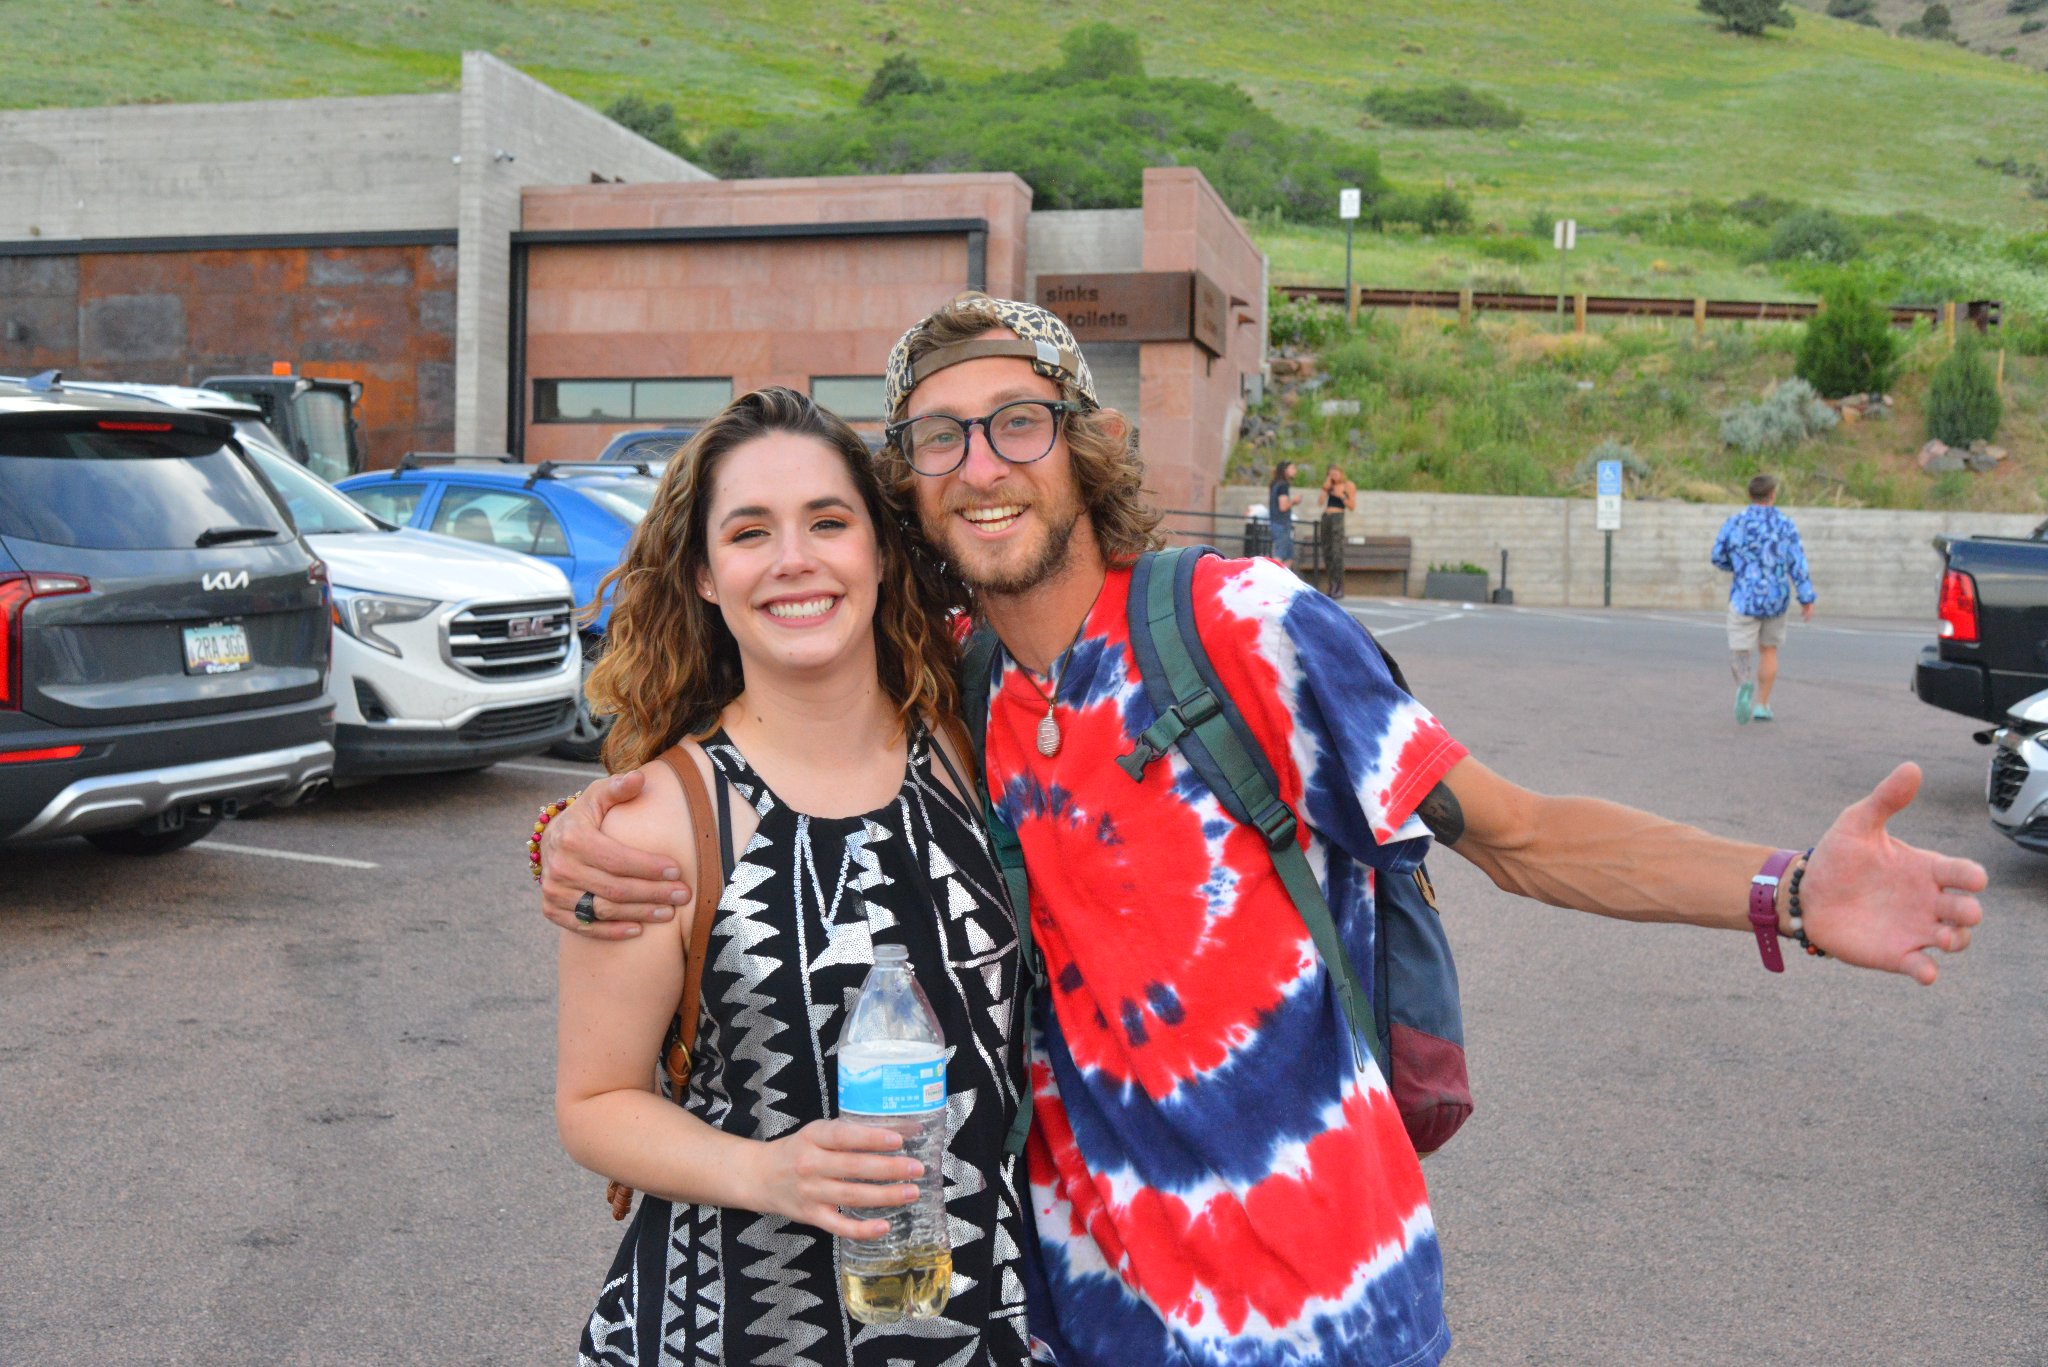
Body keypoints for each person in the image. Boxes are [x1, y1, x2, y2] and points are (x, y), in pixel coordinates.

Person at [538, 297, 1984, 1367]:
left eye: (1018, 422)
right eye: (939, 437)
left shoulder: (1242, 628)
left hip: (1325, 1309)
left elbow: (1521, 830)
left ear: (1078, 444)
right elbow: (778, 772)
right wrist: (572, 835)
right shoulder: (955, 689)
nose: (982, 463)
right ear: (912, 483)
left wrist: (1785, 891)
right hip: (1083, 1324)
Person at [553, 387, 1032, 1366]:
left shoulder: (965, 743)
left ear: (880, 549)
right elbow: (593, 1101)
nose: (793, 559)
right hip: (739, 1327)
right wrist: (768, 1172)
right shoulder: (663, 817)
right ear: (701, 572)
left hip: (977, 1320)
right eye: (748, 531)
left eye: (827, 520)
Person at [1712, 473, 1816, 724]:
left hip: (1743, 597)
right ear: (1773, 495)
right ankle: (1762, 704)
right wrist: (1806, 598)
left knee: (1740, 650)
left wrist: (1739, 568)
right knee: (1769, 650)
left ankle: (1743, 685)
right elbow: (1797, 563)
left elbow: (1717, 556)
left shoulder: (1735, 522)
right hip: (1776, 599)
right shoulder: (1785, 524)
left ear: (1751, 495)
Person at [1319, 461, 1358, 597]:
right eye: (1330, 474)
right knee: (1327, 551)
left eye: (1335, 473)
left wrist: (1341, 495)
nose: (1333, 476)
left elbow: (1352, 506)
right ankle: (1331, 584)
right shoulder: (1329, 486)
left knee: (1337, 552)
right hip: (1326, 518)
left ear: (1341, 473)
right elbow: (1320, 502)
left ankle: (1339, 585)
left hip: (1337, 518)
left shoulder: (1348, 485)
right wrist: (1326, 488)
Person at [1266, 459, 1297, 568]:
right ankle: (1273, 580)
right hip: (1281, 524)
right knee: (1280, 555)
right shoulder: (1283, 486)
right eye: (1292, 468)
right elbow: (1283, 506)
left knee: (1289, 556)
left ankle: (1284, 582)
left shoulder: (1275, 484)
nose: (1295, 471)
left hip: (1277, 523)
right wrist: (1294, 501)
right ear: (1285, 470)